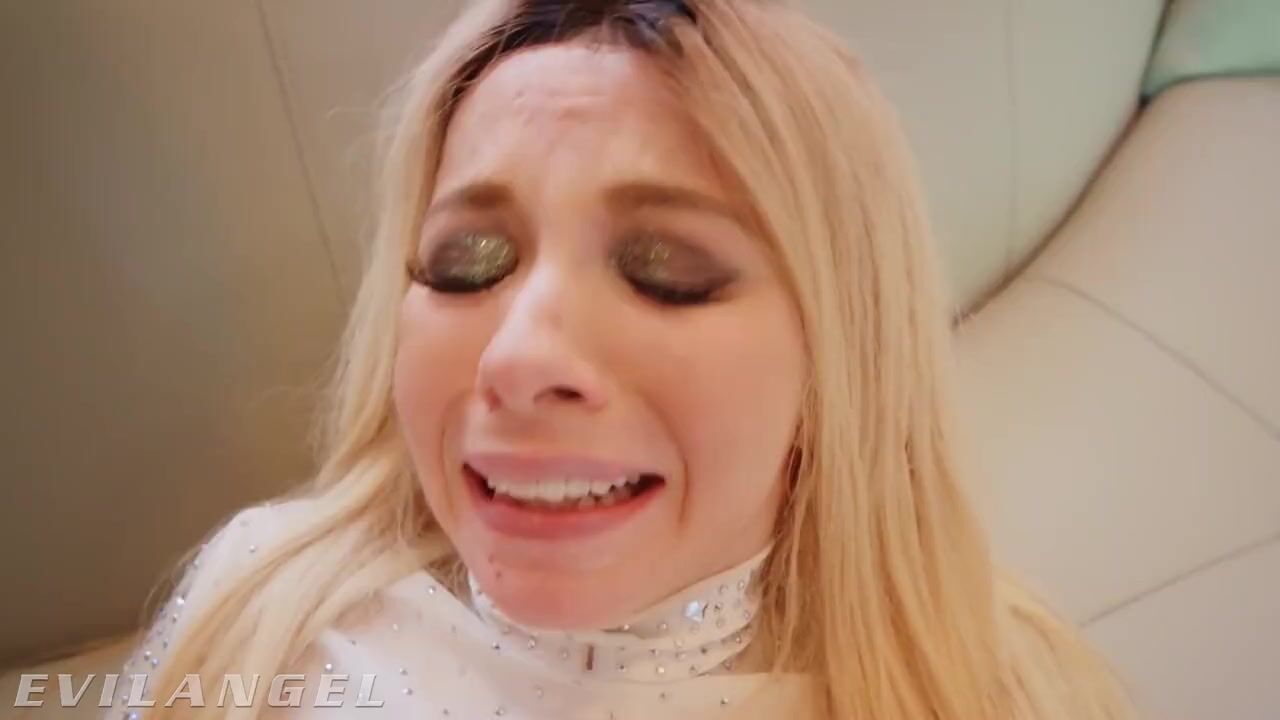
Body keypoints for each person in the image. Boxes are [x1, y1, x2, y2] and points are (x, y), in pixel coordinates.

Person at [116, 1, 1137, 718]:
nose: (518, 358)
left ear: (839, 361)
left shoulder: (1014, 694)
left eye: (667, 273)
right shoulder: (256, 615)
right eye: (466, 265)